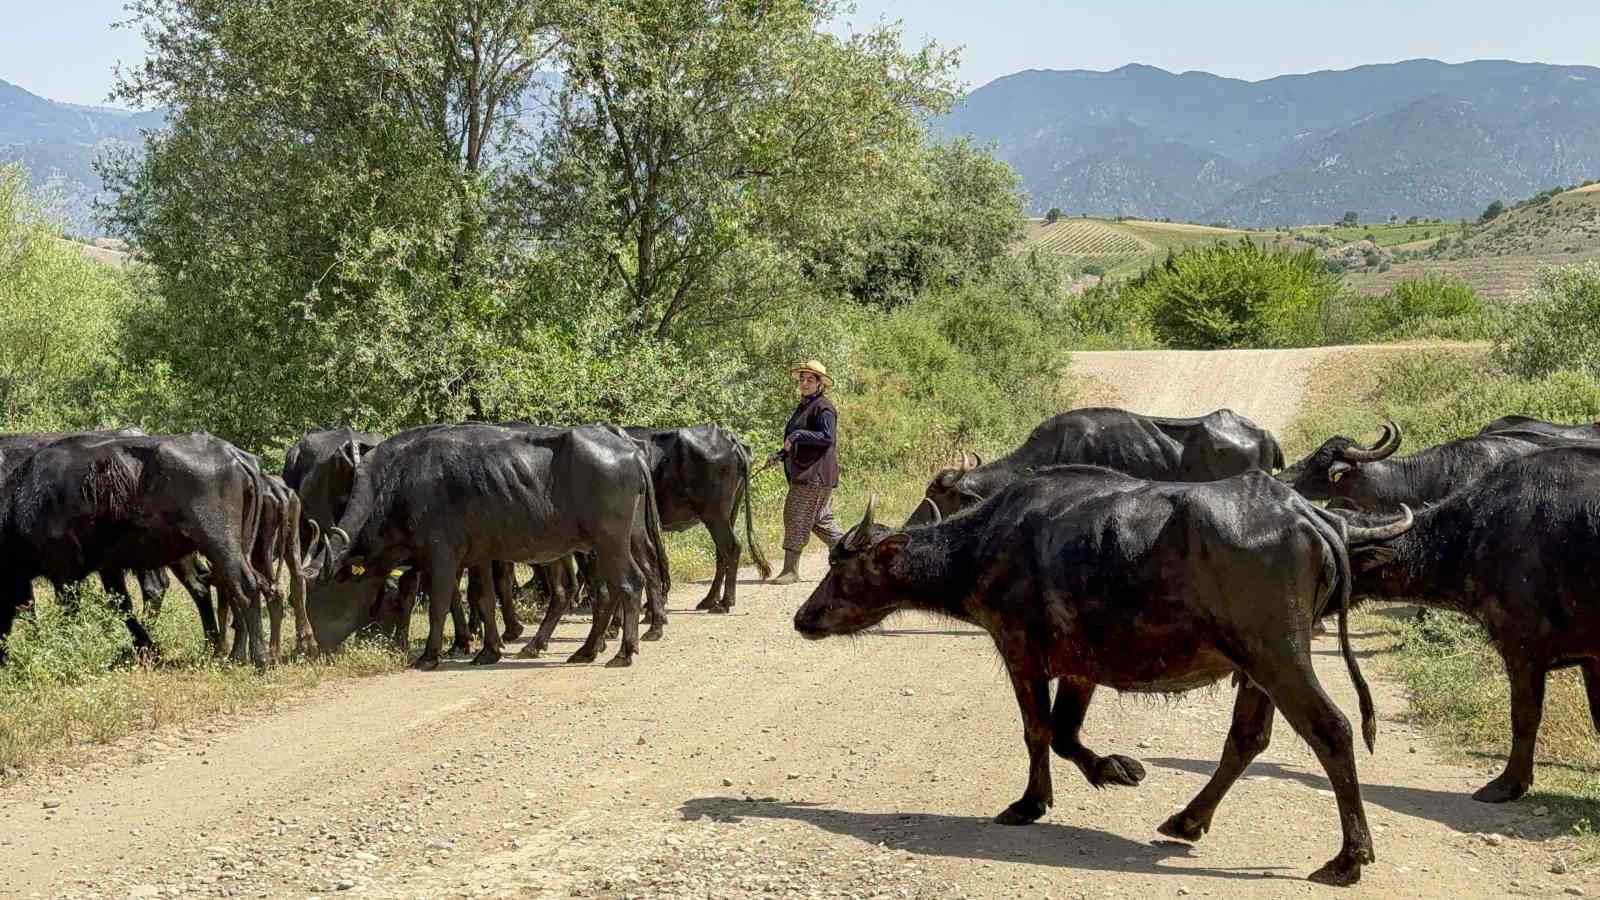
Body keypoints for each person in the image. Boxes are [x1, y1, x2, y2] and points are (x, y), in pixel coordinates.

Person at [769, 360, 843, 584]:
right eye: (802, 378)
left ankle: (791, 571)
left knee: (795, 515)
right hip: (807, 473)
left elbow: (827, 438)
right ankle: (855, 553)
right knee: (820, 520)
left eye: (810, 379)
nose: (804, 382)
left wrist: (797, 435)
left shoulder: (824, 407)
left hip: (815, 475)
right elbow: (797, 439)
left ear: (821, 384)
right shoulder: (804, 406)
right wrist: (781, 454)